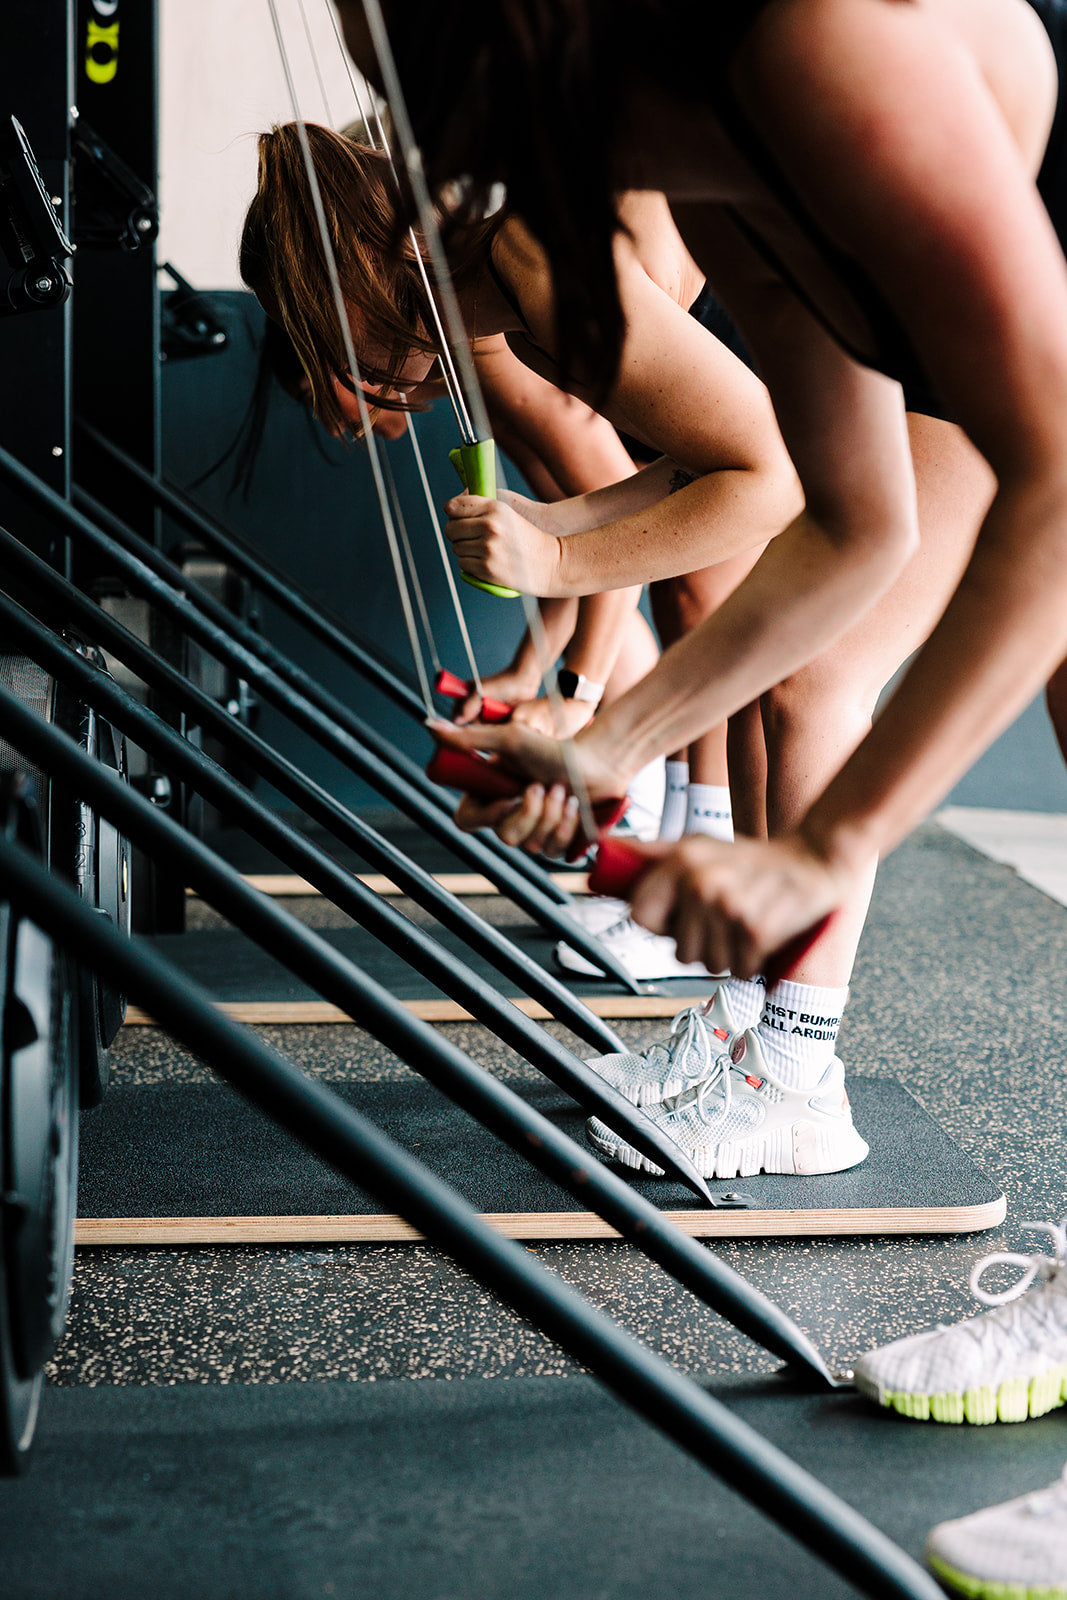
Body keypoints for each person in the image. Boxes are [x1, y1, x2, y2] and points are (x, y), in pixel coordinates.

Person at [330, 0, 1067, 1144]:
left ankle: (797, 1083)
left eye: (425, 118)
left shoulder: (804, 52)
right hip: (996, 346)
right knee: (818, 676)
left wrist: (827, 850)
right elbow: (851, 522)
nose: (428, 181)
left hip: (1035, 348)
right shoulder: (712, 181)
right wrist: (597, 748)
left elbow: (1055, 492)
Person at [238, 123, 803, 981]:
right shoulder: (516, 324)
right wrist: (558, 530)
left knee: (792, 683)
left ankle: (781, 1054)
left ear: (357, 280)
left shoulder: (528, 267)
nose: (354, 381)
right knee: (779, 680)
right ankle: (748, 1011)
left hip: (877, 312)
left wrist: (563, 601)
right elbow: (683, 462)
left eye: (328, 341)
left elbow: (767, 472)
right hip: (815, 346)